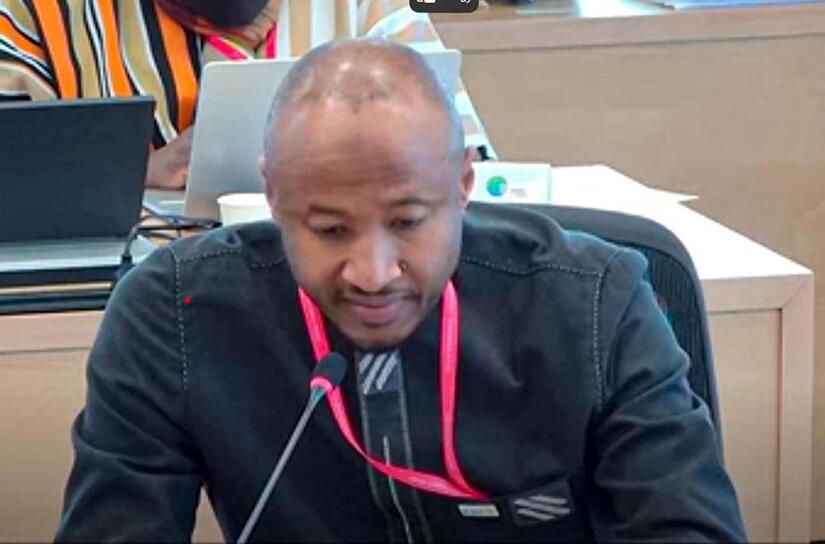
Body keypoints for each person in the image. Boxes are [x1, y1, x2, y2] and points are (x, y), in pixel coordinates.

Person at [55, 39, 746, 542]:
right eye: (329, 229)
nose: (372, 272)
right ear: (272, 194)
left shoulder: (594, 303)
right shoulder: (175, 315)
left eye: (409, 222)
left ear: (463, 186)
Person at [0, 0, 491, 189]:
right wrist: (134, 174)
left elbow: (471, 169)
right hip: (112, 306)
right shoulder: (35, 13)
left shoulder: (366, 6)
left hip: (338, 291)